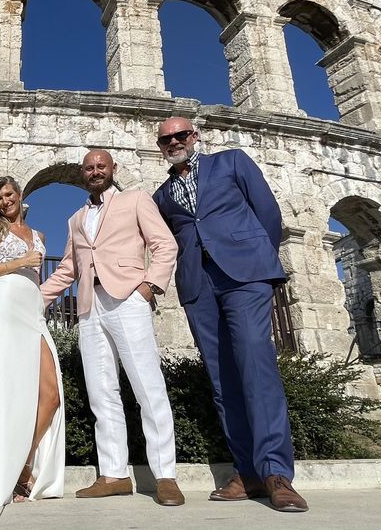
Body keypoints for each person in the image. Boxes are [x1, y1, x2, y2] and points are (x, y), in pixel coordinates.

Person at [151, 117, 308, 513]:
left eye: (180, 135)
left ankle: (276, 473)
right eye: (166, 139)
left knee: (256, 361)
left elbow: (267, 213)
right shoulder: (162, 194)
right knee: (222, 377)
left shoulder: (232, 162)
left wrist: (259, 258)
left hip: (245, 274)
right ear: (160, 145)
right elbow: (166, 239)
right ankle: (248, 473)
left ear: (195, 136)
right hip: (199, 284)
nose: (174, 142)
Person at [40, 149, 185, 507]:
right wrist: (34, 298)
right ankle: (113, 474)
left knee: (147, 386)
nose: (95, 171)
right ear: (82, 174)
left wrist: (150, 286)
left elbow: (164, 244)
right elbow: (68, 269)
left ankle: (165, 475)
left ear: (112, 169)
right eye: (89, 167)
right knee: (101, 393)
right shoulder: (75, 219)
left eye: (101, 166)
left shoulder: (135, 200)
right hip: (89, 307)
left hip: (128, 299)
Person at [0, 176, 65, 506]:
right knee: (9, 391)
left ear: (20, 195)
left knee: (51, 396)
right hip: (5, 308)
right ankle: (15, 471)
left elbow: (38, 280)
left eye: (9, 195)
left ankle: (22, 462)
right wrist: (21, 261)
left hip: (32, 310)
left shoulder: (40, 235)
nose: (5, 201)